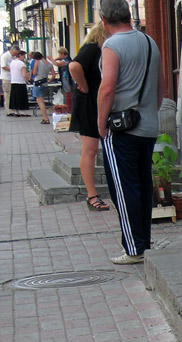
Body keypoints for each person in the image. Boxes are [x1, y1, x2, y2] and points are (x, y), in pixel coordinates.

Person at [97, 0, 162, 265]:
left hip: (122, 128)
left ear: (104, 20)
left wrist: (101, 124)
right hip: (147, 125)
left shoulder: (112, 46)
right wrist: (150, 111)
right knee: (143, 184)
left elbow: (107, 88)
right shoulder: (149, 42)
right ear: (127, 15)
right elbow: (160, 85)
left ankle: (133, 248)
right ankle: (144, 241)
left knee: (123, 188)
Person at [69, 22, 110, 210]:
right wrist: (84, 86)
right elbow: (74, 66)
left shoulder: (102, 49)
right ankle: (91, 194)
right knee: (90, 148)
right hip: (88, 103)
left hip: (99, 101)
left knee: (94, 148)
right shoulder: (92, 48)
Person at [28, 51, 52, 124]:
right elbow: (53, 75)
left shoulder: (37, 62)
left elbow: (34, 73)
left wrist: (35, 66)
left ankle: (45, 118)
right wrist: (49, 80)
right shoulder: (49, 64)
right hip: (45, 83)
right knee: (42, 100)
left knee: (40, 101)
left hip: (38, 83)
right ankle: (45, 117)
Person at [7, 49, 29, 117]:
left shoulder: (12, 62)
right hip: (20, 82)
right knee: (21, 97)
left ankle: (16, 111)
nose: (24, 57)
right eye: (23, 56)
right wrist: (27, 81)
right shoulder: (21, 63)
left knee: (14, 97)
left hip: (13, 81)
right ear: (20, 55)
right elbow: (24, 74)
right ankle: (22, 111)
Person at [1, 43, 13, 115]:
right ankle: (9, 111)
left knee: (10, 94)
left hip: (11, 78)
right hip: (6, 78)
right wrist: (13, 69)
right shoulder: (5, 56)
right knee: (8, 94)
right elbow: (3, 66)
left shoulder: (12, 57)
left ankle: (11, 109)